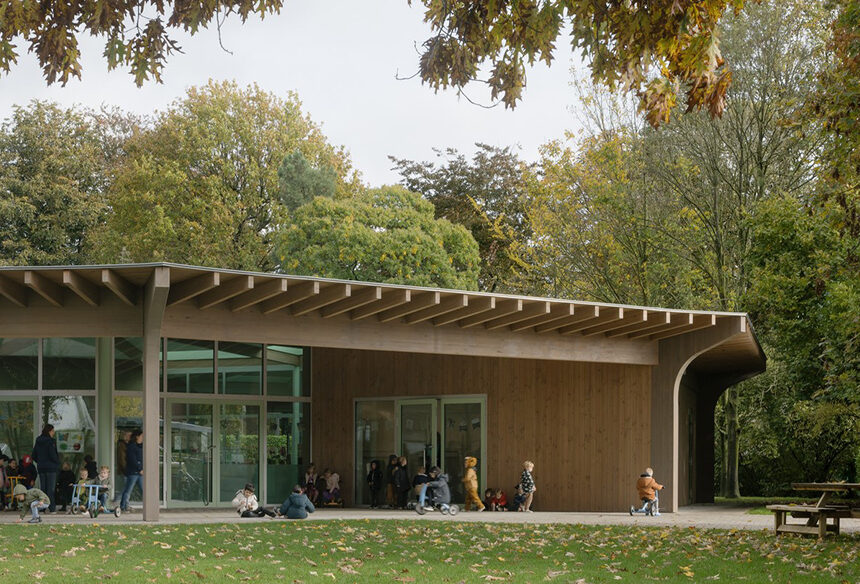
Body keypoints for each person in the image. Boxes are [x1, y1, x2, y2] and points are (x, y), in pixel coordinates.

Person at [32, 423, 60, 512]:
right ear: (49, 431)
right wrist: (57, 462)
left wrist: (40, 462)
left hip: (41, 468)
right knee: (50, 489)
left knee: (43, 489)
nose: (54, 433)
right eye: (53, 431)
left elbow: (34, 455)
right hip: (51, 468)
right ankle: (51, 508)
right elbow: (52, 454)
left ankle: (41, 508)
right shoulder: (51, 441)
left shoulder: (38, 440)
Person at [120, 429, 143, 512]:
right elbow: (132, 459)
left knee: (144, 490)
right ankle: (123, 506)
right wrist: (140, 468)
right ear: (137, 436)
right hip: (133, 472)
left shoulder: (141, 446)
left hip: (139, 473)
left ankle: (149, 506)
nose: (143, 437)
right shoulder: (132, 446)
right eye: (142, 436)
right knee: (128, 490)